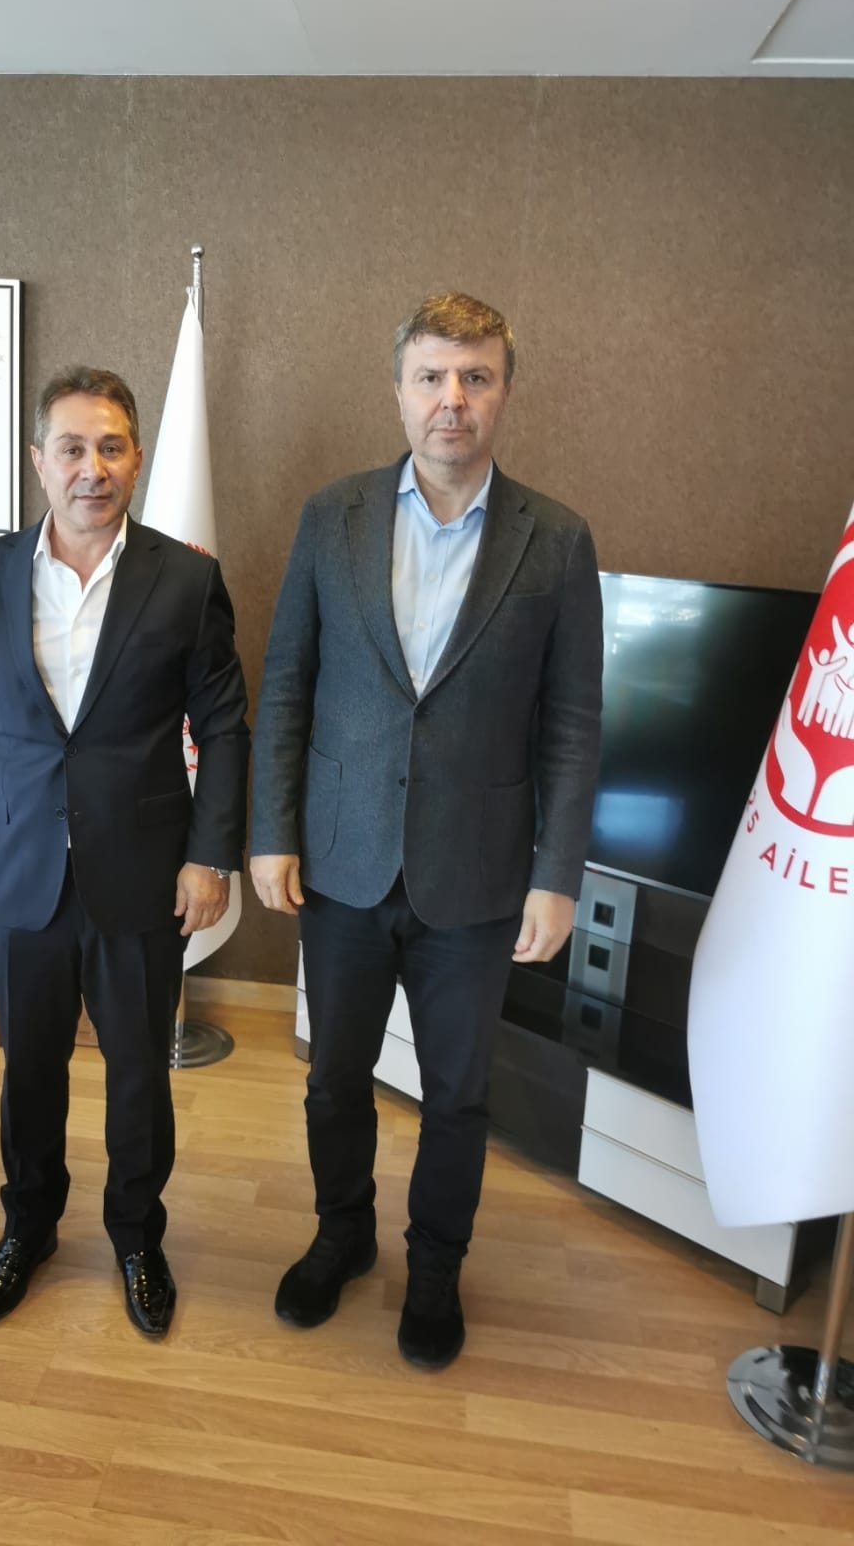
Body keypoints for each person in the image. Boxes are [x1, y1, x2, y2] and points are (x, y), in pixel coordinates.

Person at [250, 292, 602, 1370]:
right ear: (400, 390)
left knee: (457, 1093)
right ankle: (342, 1235)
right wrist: (270, 829)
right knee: (333, 1078)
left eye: (476, 377)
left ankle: (436, 1267)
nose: (454, 398)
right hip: (343, 862)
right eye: (433, 377)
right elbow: (288, 681)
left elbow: (573, 722)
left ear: (505, 392)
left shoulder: (557, 539)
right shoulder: (332, 516)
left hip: (479, 878)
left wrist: (556, 874)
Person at [0, 367, 249, 1337]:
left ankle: (137, 1237)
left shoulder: (186, 579)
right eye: (71, 448)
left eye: (110, 448)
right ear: (38, 461)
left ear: (136, 459)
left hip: (142, 876)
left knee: (139, 1072)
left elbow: (224, 727)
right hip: (18, 870)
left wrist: (211, 857)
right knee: (30, 1070)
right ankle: (28, 1228)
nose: (90, 469)